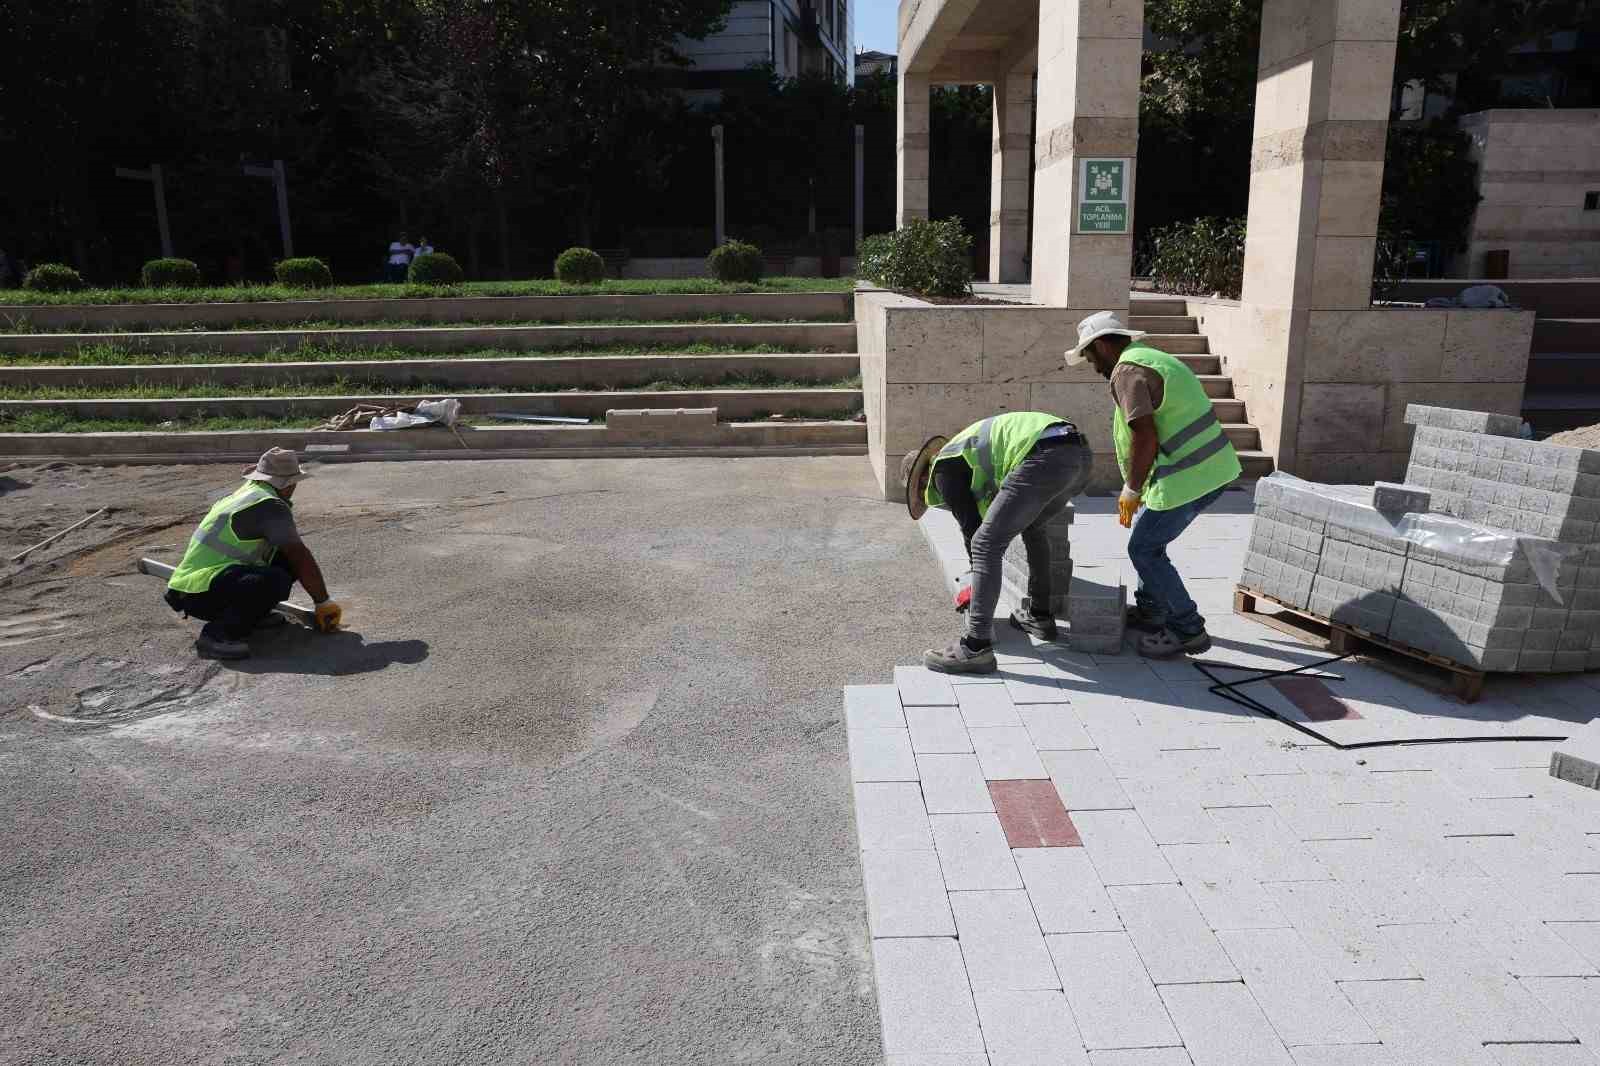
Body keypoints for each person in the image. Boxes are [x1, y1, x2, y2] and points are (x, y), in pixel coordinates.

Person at [1066, 311, 1243, 658]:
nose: (1091, 364)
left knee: (1143, 549)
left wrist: (1131, 489)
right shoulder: (1150, 357)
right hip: (1208, 469)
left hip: (1190, 476)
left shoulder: (1126, 371)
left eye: (1089, 356)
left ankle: (1188, 629)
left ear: (1102, 345)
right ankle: (1152, 611)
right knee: (1151, 542)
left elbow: (1144, 436)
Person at [903, 412, 1094, 674]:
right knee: (1034, 527)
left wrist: (974, 585)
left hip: (1044, 456)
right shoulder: (964, 454)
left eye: (921, 492)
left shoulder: (943, 469)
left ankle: (975, 647)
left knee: (984, 545)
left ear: (922, 479)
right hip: (1078, 453)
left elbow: (973, 530)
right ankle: (1040, 616)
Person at [163, 448, 343, 660]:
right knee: (275, 578)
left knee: (282, 561)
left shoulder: (250, 492)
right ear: (288, 484)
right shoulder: (268, 505)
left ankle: (252, 615)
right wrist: (323, 602)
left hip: (199, 586)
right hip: (198, 593)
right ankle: (217, 636)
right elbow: (299, 555)